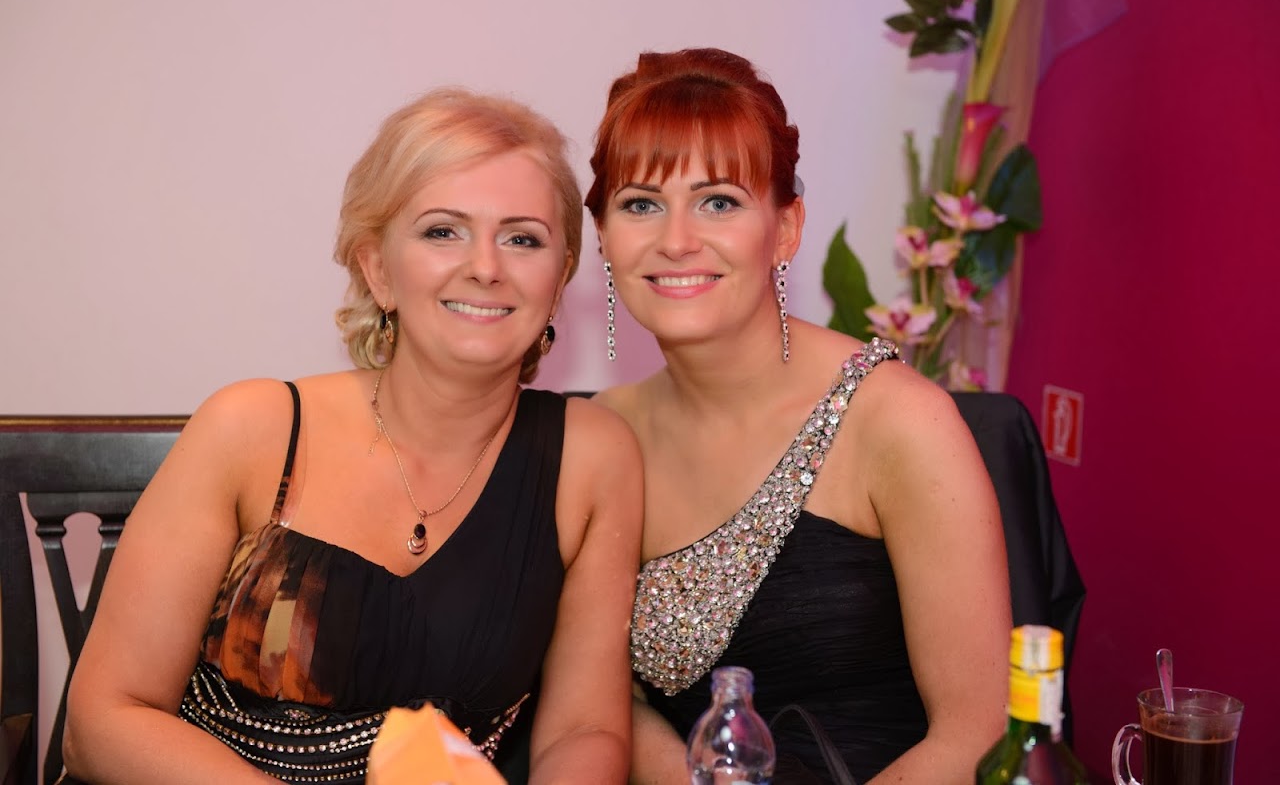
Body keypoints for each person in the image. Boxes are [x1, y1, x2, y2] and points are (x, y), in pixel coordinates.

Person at [63, 88, 642, 784]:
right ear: (377, 269)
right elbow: (102, 721)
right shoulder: (253, 429)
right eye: (443, 231)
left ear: (559, 279)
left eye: (523, 238)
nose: (486, 266)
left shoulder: (592, 458)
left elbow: (584, 729)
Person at [583, 48, 1011, 784]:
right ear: (603, 237)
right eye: (641, 204)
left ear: (785, 229)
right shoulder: (602, 435)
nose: (675, 239)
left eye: (719, 201)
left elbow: (979, 731)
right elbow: (607, 697)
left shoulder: (898, 422)